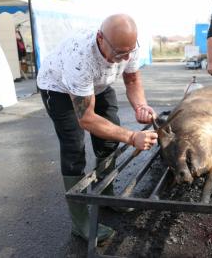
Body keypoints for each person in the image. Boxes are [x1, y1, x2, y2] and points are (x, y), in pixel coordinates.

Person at [37, 14, 158, 242]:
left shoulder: (127, 47)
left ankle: (106, 195)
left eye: (128, 52)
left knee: (110, 136)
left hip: (99, 85)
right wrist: (132, 137)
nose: (124, 57)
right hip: (59, 88)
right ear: (101, 38)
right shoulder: (81, 57)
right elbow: (87, 119)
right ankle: (80, 221)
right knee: (74, 146)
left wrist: (141, 106)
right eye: (119, 53)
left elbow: (132, 80)